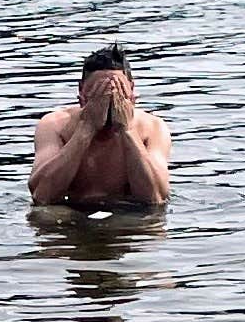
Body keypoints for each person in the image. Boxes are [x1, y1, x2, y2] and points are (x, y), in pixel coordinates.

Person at [29, 45, 171, 212]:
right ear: (81, 94)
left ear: (132, 94)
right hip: (73, 214)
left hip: (129, 214)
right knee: (46, 216)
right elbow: (41, 195)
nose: (108, 103)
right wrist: (86, 129)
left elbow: (156, 198)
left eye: (118, 94)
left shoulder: (153, 128)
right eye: (99, 94)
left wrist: (127, 131)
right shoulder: (55, 125)